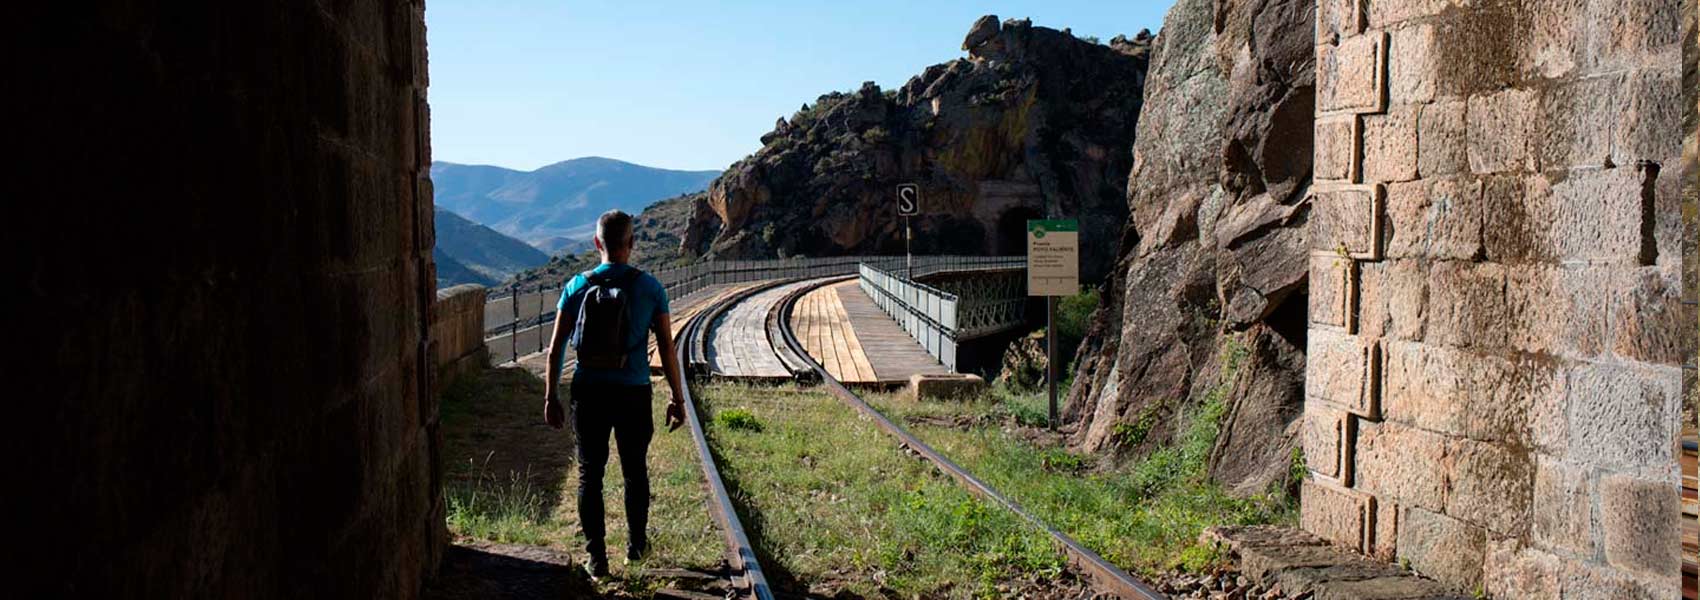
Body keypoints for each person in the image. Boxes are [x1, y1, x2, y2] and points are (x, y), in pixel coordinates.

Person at [542, 209, 687, 581]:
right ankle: (636, 547)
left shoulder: (576, 286)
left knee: (590, 475)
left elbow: (556, 349)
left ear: (597, 243)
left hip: (588, 391)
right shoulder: (650, 288)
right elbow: (667, 347)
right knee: (634, 471)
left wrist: (550, 397)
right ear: (632, 243)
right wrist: (677, 397)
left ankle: (597, 559)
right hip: (633, 392)